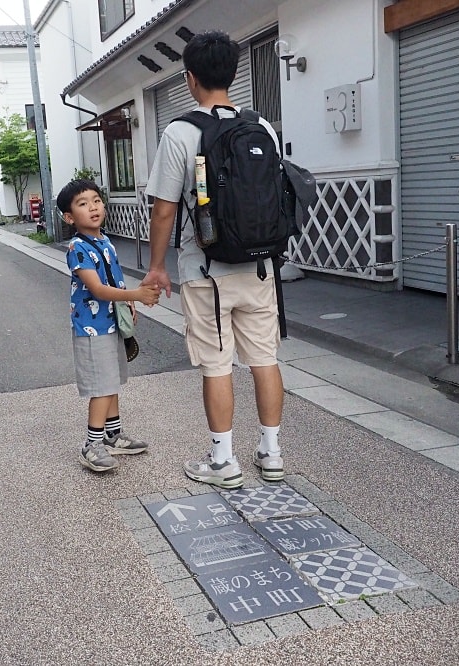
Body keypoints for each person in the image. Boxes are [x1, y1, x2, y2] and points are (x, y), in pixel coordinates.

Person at [143, 31, 285, 490]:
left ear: (190, 78)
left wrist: (157, 265)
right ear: (234, 72)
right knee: (264, 359)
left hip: (205, 269)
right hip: (260, 266)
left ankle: (224, 461)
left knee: (217, 364)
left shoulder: (180, 132)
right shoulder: (260, 128)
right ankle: (271, 451)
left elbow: (164, 207)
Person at [58, 179, 161, 472]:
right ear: (69, 217)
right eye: (82, 203)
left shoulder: (105, 241)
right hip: (92, 328)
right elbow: (98, 290)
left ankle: (114, 435)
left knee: (112, 380)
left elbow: (113, 280)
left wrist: (127, 304)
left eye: (96, 200)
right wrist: (137, 296)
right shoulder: (78, 248)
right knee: (101, 386)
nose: (93, 207)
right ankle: (92, 444)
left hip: (111, 323)